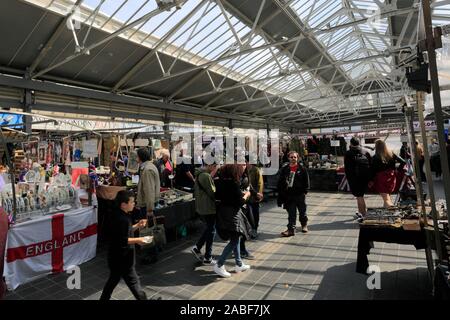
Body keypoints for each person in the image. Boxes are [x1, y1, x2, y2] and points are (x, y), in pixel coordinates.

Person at [100, 190, 149, 300]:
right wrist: (139, 239)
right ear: (123, 204)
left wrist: (137, 225)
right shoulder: (123, 219)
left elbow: (123, 232)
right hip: (122, 258)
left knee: (113, 281)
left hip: (115, 257)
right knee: (134, 283)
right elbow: (123, 239)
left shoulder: (118, 214)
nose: (134, 204)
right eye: (132, 202)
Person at [214, 164, 252, 278]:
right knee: (235, 239)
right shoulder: (233, 184)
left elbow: (219, 196)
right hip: (232, 214)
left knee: (236, 237)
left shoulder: (219, 182)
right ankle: (219, 264)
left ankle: (239, 263)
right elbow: (239, 201)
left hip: (223, 212)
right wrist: (247, 195)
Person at [136, 147, 160, 264]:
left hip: (147, 205)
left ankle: (151, 255)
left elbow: (149, 190)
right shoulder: (148, 167)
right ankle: (152, 253)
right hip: (147, 204)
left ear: (140, 157)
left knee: (148, 230)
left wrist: (149, 209)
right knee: (149, 229)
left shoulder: (147, 170)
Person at [277, 151, 310, 237]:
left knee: (302, 211)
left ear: (297, 158)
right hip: (289, 195)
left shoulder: (302, 168)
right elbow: (280, 181)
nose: (293, 159)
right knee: (291, 213)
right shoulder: (285, 169)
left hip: (300, 194)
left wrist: (305, 191)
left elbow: (306, 181)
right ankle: (291, 229)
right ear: (288, 158)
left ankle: (304, 225)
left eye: (294, 157)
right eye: (291, 157)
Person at [191, 162, 218, 265]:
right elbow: (212, 192)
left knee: (209, 228)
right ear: (210, 165)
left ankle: (197, 247)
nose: (215, 168)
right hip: (208, 207)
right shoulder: (206, 176)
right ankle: (208, 257)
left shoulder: (199, 174)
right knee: (211, 230)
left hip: (202, 206)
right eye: (215, 166)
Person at [370, 140, 406, 208]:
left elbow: (372, 170)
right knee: (387, 196)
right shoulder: (391, 153)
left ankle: (392, 211)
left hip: (381, 178)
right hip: (391, 176)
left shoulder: (375, 157)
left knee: (386, 199)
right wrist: (397, 170)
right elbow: (403, 162)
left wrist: (371, 180)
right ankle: (387, 211)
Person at [344, 137, 372, 221]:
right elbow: (371, 165)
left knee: (359, 197)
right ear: (359, 142)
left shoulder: (348, 153)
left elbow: (347, 169)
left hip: (355, 178)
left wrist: (349, 179)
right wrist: (370, 178)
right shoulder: (366, 152)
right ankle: (361, 212)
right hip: (365, 177)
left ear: (351, 144)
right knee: (360, 196)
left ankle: (364, 216)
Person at [244, 156, 264, 238]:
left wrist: (258, 194)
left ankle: (255, 228)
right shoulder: (244, 170)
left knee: (255, 213)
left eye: (246, 162)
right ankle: (250, 228)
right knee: (248, 213)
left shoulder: (256, 170)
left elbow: (260, 183)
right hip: (246, 196)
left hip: (254, 196)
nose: (244, 163)